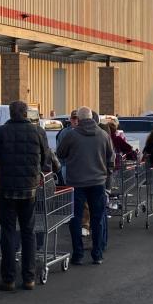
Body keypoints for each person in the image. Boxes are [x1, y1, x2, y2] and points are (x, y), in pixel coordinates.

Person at [0, 100, 51, 290]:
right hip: (29, 189)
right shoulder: (38, 132)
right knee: (28, 231)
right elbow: (45, 158)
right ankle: (29, 277)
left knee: (7, 232)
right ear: (26, 113)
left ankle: (8, 278)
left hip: (6, 189)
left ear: (10, 113)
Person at [57, 106, 115, 264]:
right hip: (98, 182)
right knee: (97, 218)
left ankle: (78, 254)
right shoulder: (103, 135)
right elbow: (111, 157)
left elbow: (60, 153)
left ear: (80, 119)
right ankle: (97, 253)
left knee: (76, 218)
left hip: (76, 182)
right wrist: (106, 173)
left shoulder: (72, 135)